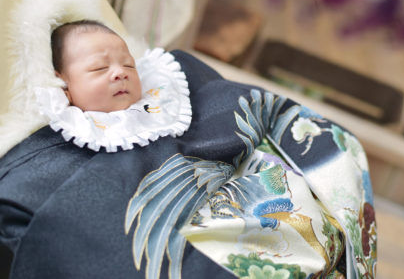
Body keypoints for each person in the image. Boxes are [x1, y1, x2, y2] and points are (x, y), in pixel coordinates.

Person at [0, 20, 377, 279]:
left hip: (237, 187)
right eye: (99, 69)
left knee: (323, 178)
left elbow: (225, 106)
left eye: (126, 63)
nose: (119, 72)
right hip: (174, 221)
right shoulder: (66, 137)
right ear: (62, 85)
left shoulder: (167, 94)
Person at [50, 20, 142, 113]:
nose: (121, 72)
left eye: (128, 65)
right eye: (100, 67)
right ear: (64, 86)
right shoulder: (67, 125)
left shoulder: (154, 107)